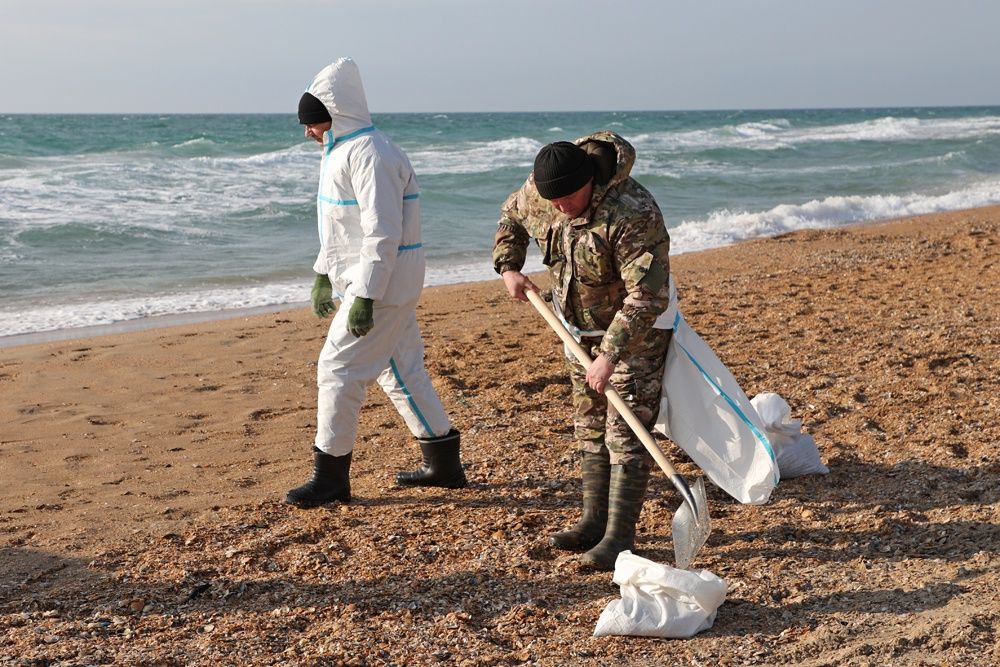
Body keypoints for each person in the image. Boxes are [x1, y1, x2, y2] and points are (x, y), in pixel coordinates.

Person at [286, 57, 466, 508]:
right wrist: (322, 276)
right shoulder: (340, 152)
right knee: (401, 369)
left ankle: (330, 476)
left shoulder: (371, 153)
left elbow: (383, 232)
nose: (307, 132)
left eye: (313, 122)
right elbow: (338, 227)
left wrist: (365, 296)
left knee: (338, 368)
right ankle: (443, 464)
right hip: (370, 282)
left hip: (383, 284)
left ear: (336, 114)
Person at [492, 132, 674, 570]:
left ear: (589, 180)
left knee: (625, 432)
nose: (560, 208)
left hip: (634, 334)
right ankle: (593, 521)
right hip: (575, 330)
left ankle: (619, 538)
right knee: (589, 425)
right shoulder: (542, 193)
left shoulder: (633, 212)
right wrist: (508, 265)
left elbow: (648, 295)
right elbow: (511, 218)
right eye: (552, 202)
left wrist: (609, 356)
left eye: (569, 199)